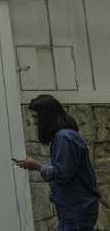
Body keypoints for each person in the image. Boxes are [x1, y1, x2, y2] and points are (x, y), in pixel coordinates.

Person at [15, 94, 101, 231]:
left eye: (36, 117)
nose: (34, 122)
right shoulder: (65, 136)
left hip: (76, 211)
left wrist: (37, 166)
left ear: (47, 116)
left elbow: (63, 174)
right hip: (74, 211)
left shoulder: (64, 138)